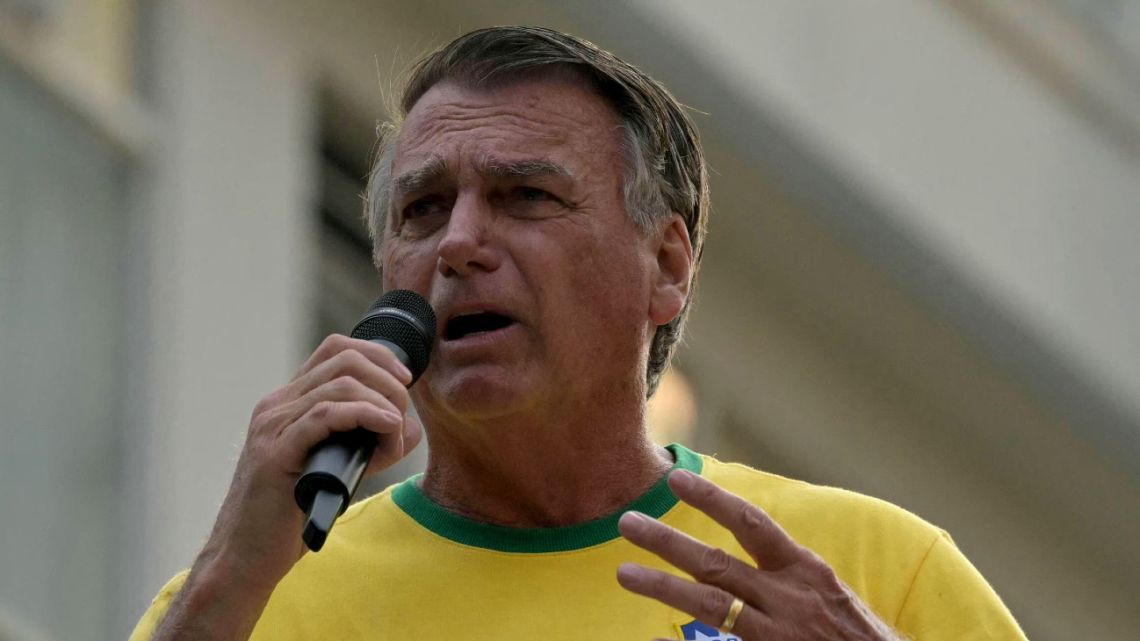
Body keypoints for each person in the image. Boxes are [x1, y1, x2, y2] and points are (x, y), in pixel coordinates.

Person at [130, 26, 1027, 641]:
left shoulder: (874, 570)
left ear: (667, 267)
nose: (460, 244)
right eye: (423, 209)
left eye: (526, 197)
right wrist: (222, 577)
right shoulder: (253, 603)